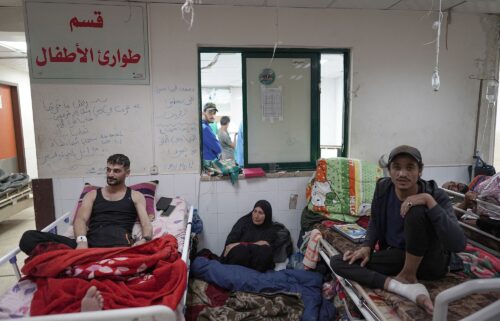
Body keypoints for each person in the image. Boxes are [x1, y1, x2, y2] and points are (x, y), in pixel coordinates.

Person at [330, 145, 466, 314]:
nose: (402, 174)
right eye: (397, 167)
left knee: (415, 210)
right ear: (389, 170)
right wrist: (367, 246)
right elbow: (376, 220)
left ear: (420, 170)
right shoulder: (383, 188)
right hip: (400, 256)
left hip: (431, 262)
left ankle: (409, 275)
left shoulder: (435, 195)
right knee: (338, 262)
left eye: (410, 167)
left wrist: (428, 200)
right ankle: (403, 287)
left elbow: (458, 244)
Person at [19, 154, 153, 255]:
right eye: (108, 170)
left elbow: (146, 223)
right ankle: (71, 260)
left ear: (127, 173)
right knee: (28, 238)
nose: (110, 174)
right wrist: (82, 241)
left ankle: (67, 262)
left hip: (119, 247)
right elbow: (80, 219)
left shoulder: (135, 196)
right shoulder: (92, 195)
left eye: (116, 171)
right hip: (89, 246)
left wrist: (145, 240)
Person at [221, 200, 277, 272]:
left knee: (264, 252)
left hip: (257, 265)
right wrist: (256, 244)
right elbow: (229, 245)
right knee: (240, 251)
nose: (256, 216)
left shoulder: (270, 229)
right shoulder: (243, 222)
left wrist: (240, 244)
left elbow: (269, 251)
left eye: (260, 213)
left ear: (267, 215)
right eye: (255, 211)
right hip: (238, 263)